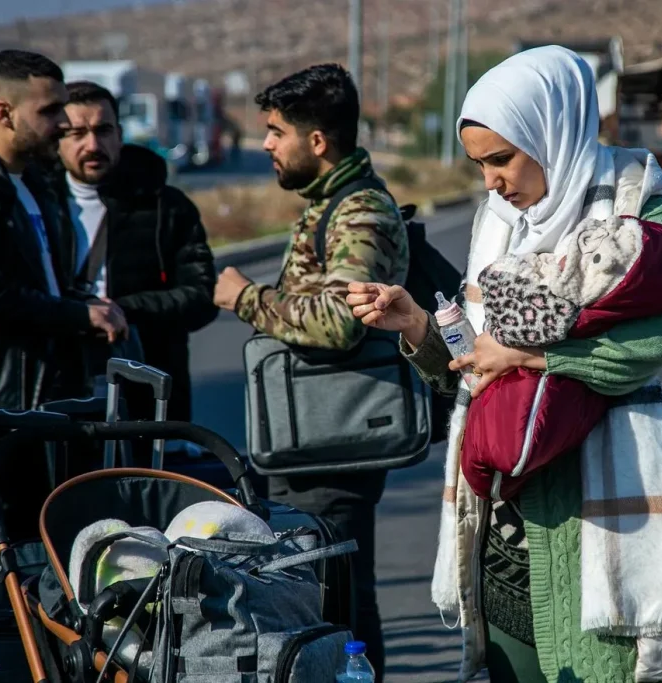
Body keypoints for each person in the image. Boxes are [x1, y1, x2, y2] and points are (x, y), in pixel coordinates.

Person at [348, 46, 662, 683]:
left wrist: (534, 354)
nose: (490, 181)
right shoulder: (500, 224)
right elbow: (476, 367)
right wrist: (420, 328)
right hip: (509, 533)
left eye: (500, 159)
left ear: (553, 132)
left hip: (607, 530)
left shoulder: (640, 203)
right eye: (480, 164)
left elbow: (659, 340)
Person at [212, 63, 408, 682]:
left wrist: (246, 298)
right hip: (309, 444)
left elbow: (338, 320)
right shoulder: (328, 205)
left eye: (275, 131)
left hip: (336, 448)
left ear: (317, 141)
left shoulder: (359, 212)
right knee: (322, 602)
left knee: (338, 606)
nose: (266, 144)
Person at [0, 50, 127, 542]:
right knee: (3, 564)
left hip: (48, 401)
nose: (63, 123)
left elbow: (45, 283)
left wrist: (87, 304)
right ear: (4, 113)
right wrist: (78, 315)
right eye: (49, 110)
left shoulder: (36, 182)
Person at [53, 80, 218, 422]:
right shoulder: (34, 206)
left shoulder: (166, 208)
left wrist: (121, 311)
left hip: (148, 401)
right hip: (56, 393)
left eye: (103, 130)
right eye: (76, 133)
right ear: (56, 137)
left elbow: (202, 298)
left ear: (120, 133)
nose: (92, 144)